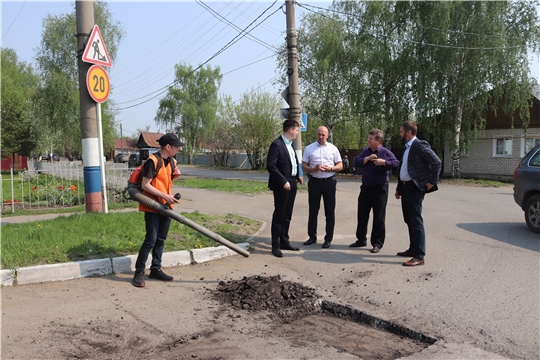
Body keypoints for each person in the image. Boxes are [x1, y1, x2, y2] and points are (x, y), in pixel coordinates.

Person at [132, 133, 184, 287]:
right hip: (153, 205)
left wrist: (175, 176)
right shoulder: (152, 161)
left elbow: (163, 179)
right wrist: (164, 196)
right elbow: (145, 185)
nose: (178, 150)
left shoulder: (172, 161)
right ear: (168, 147)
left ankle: (155, 269)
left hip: (166, 206)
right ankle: (139, 272)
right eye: (176, 147)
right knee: (151, 240)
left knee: (161, 239)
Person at [394, 121, 441, 267]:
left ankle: (419, 256)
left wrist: (431, 181)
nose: (400, 134)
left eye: (401, 132)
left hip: (415, 188)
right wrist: (399, 188)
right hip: (406, 187)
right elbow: (405, 168)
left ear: (408, 132)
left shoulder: (419, 145)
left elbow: (436, 162)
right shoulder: (408, 147)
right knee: (409, 219)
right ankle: (413, 249)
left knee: (415, 221)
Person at [349, 129, 400, 253]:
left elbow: (397, 164)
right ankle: (361, 239)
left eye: (371, 139)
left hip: (380, 189)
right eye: (368, 138)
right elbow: (355, 162)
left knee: (379, 217)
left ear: (379, 141)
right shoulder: (366, 151)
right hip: (366, 188)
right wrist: (366, 159)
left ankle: (377, 243)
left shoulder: (385, 152)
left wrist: (384, 162)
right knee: (362, 214)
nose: (368, 140)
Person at [266, 120, 304, 258]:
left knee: (287, 215)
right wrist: (283, 181)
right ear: (290, 130)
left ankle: (284, 241)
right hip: (282, 184)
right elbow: (271, 165)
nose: (297, 132)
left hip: (292, 182)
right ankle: (275, 245)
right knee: (279, 215)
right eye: (296, 130)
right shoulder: (276, 145)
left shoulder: (290, 144)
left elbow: (292, 162)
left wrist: (297, 176)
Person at [302, 126, 342, 249]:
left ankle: (328, 238)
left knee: (329, 211)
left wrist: (330, 168)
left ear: (327, 135)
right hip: (314, 182)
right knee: (313, 210)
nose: (320, 137)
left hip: (329, 181)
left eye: (323, 135)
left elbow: (340, 165)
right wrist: (313, 169)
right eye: (319, 134)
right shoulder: (309, 148)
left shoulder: (333, 148)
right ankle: (312, 237)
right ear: (316, 134)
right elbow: (303, 166)